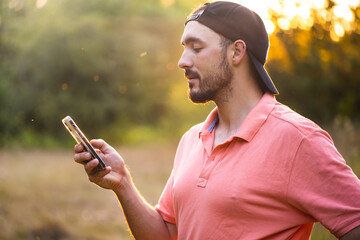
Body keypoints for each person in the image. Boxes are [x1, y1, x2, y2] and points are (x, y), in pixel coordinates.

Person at [73, 1, 360, 239]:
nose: (182, 61)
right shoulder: (192, 139)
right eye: (184, 48)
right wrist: (122, 182)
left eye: (196, 48)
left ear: (237, 51)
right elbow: (166, 235)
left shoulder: (297, 139)